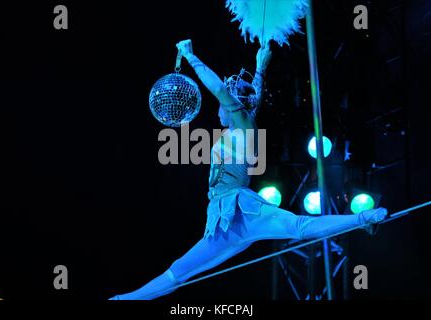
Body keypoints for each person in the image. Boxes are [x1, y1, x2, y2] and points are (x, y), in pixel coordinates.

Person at [109, 39, 388, 300]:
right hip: (223, 222)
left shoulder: (244, 125)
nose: (221, 101)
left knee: (300, 226)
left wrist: (191, 56)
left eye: (227, 97)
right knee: (180, 269)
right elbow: (249, 97)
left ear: (235, 103)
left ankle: (364, 218)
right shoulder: (240, 125)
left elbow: (222, 90)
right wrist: (261, 66)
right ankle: (125, 299)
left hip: (244, 210)